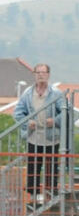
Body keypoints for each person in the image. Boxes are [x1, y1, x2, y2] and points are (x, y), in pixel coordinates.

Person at [14, 63, 64, 198]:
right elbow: (18, 113)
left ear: (48, 75)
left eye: (43, 72)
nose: (41, 75)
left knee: (51, 170)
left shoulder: (56, 93)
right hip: (33, 136)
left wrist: (55, 121)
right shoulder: (27, 93)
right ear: (34, 75)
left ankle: (50, 196)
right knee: (33, 169)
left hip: (51, 137)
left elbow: (67, 112)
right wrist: (27, 122)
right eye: (38, 73)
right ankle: (33, 199)